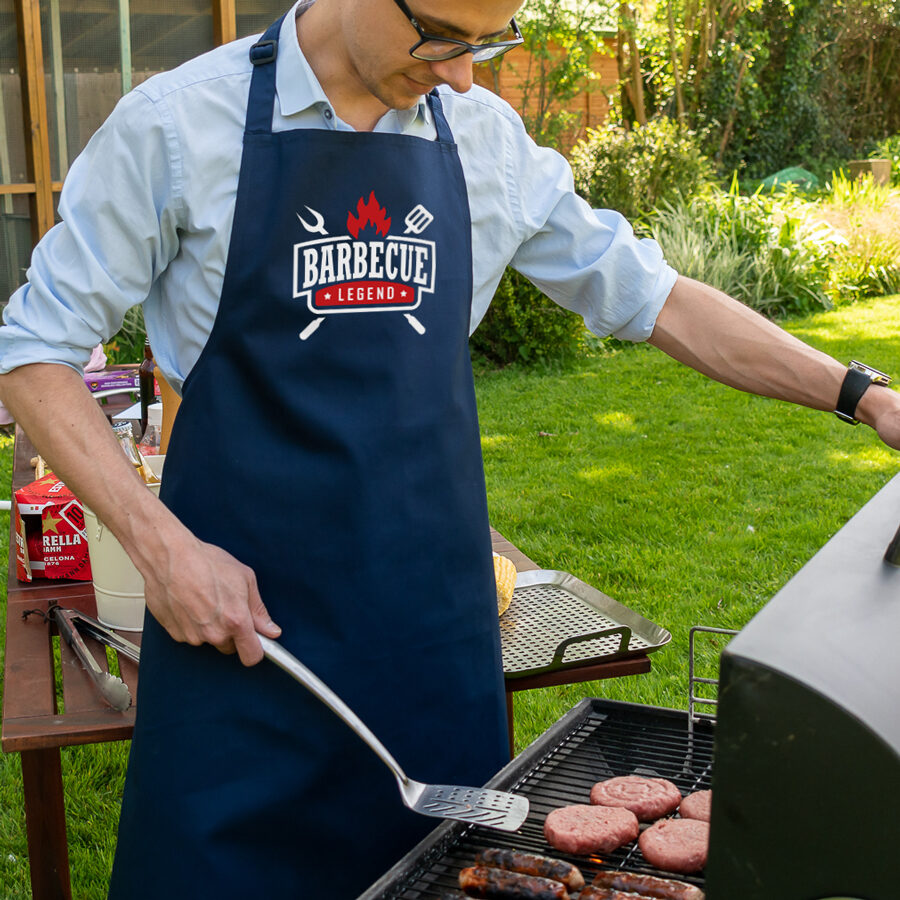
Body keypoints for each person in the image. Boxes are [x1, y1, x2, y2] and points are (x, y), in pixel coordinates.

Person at [1, 0, 898, 896]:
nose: (464, 73)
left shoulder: (483, 140)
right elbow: (33, 349)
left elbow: (657, 299)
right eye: (440, 35)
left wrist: (865, 398)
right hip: (237, 638)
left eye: (488, 41)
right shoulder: (176, 124)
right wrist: (160, 547)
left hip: (430, 642)